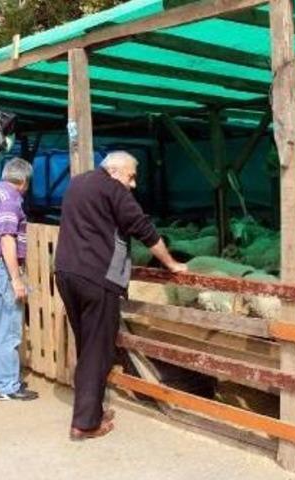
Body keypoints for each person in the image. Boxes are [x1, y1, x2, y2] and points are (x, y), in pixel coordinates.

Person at [55, 151, 187, 440]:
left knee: (87, 345)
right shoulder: (113, 189)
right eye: (131, 176)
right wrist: (171, 263)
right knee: (98, 350)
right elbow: (143, 228)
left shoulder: (77, 183)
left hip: (66, 273)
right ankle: (85, 424)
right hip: (96, 278)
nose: (133, 184)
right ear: (114, 171)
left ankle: (92, 410)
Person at [0, 158, 39, 401]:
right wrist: (16, 278)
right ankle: (7, 386)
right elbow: (7, 238)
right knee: (9, 331)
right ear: (24, 181)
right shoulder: (11, 199)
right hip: (3, 269)